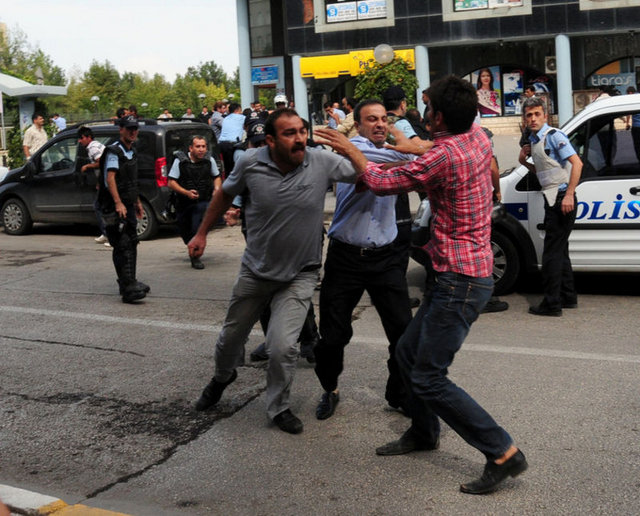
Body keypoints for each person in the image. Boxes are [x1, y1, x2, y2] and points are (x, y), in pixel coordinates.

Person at [317, 75, 527, 495]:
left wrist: (349, 149)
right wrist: (413, 147)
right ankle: (424, 431)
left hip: (460, 281)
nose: (422, 114)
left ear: (440, 116)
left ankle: (502, 452)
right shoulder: (474, 138)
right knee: (409, 353)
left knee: (429, 376)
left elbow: (381, 183)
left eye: (429, 108)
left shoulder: (442, 156)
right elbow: (432, 151)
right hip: (461, 273)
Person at [189, 108, 362, 434]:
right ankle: (223, 377)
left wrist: (351, 147)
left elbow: (367, 175)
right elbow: (224, 195)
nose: (300, 139)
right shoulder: (250, 163)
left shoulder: (320, 161)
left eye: (302, 131)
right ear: (270, 140)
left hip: (301, 274)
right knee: (229, 339)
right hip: (256, 271)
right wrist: (201, 234)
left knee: (283, 348)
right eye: (289, 133)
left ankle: (279, 407)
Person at [313, 99, 420, 421]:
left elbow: (418, 156)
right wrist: (405, 153)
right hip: (345, 257)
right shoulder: (351, 150)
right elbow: (403, 159)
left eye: (384, 119)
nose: (380, 124)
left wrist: (407, 150)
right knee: (333, 337)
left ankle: (398, 394)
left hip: (386, 259)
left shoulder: (389, 151)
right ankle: (330, 388)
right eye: (371, 119)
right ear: (357, 126)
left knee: (403, 334)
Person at [519, 96, 583, 316]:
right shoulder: (534, 140)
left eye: (537, 114)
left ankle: (552, 304)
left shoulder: (554, 136)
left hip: (562, 199)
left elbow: (577, 163)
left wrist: (570, 195)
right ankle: (568, 296)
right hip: (553, 197)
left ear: (545, 116)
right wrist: (523, 161)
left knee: (551, 255)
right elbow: (545, 173)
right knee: (560, 251)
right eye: (529, 115)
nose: (533, 118)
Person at [98, 116, 150, 303]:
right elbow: (110, 179)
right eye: (129, 129)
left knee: (132, 242)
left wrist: (137, 202)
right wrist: (118, 202)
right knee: (122, 244)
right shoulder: (114, 151)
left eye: (135, 128)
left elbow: (130, 181)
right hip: (114, 205)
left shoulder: (131, 151)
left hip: (128, 203)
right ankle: (127, 287)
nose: (133, 132)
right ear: (121, 130)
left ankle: (130, 281)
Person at [168, 135, 222, 269]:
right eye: (198, 146)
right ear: (191, 148)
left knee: (196, 227)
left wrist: (217, 189)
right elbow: (171, 182)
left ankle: (195, 257)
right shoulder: (180, 161)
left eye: (203, 146)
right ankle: (192, 245)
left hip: (203, 202)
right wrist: (186, 192)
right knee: (185, 231)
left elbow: (216, 177)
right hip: (184, 203)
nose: (201, 149)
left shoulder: (209, 160)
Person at [77, 126, 109, 247]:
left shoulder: (93, 147)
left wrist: (87, 166)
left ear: (88, 137)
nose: (80, 141)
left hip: (107, 180)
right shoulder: (96, 145)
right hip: (104, 180)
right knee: (100, 206)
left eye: (81, 138)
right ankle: (105, 233)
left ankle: (109, 234)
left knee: (100, 206)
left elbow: (101, 162)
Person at [218, 102, 246, 174]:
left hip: (221, 145)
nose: (241, 112)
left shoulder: (225, 119)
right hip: (233, 145)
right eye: (240, 110)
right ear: (237, 110)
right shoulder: (242, 118)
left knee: (226, 170)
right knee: (235, 170)